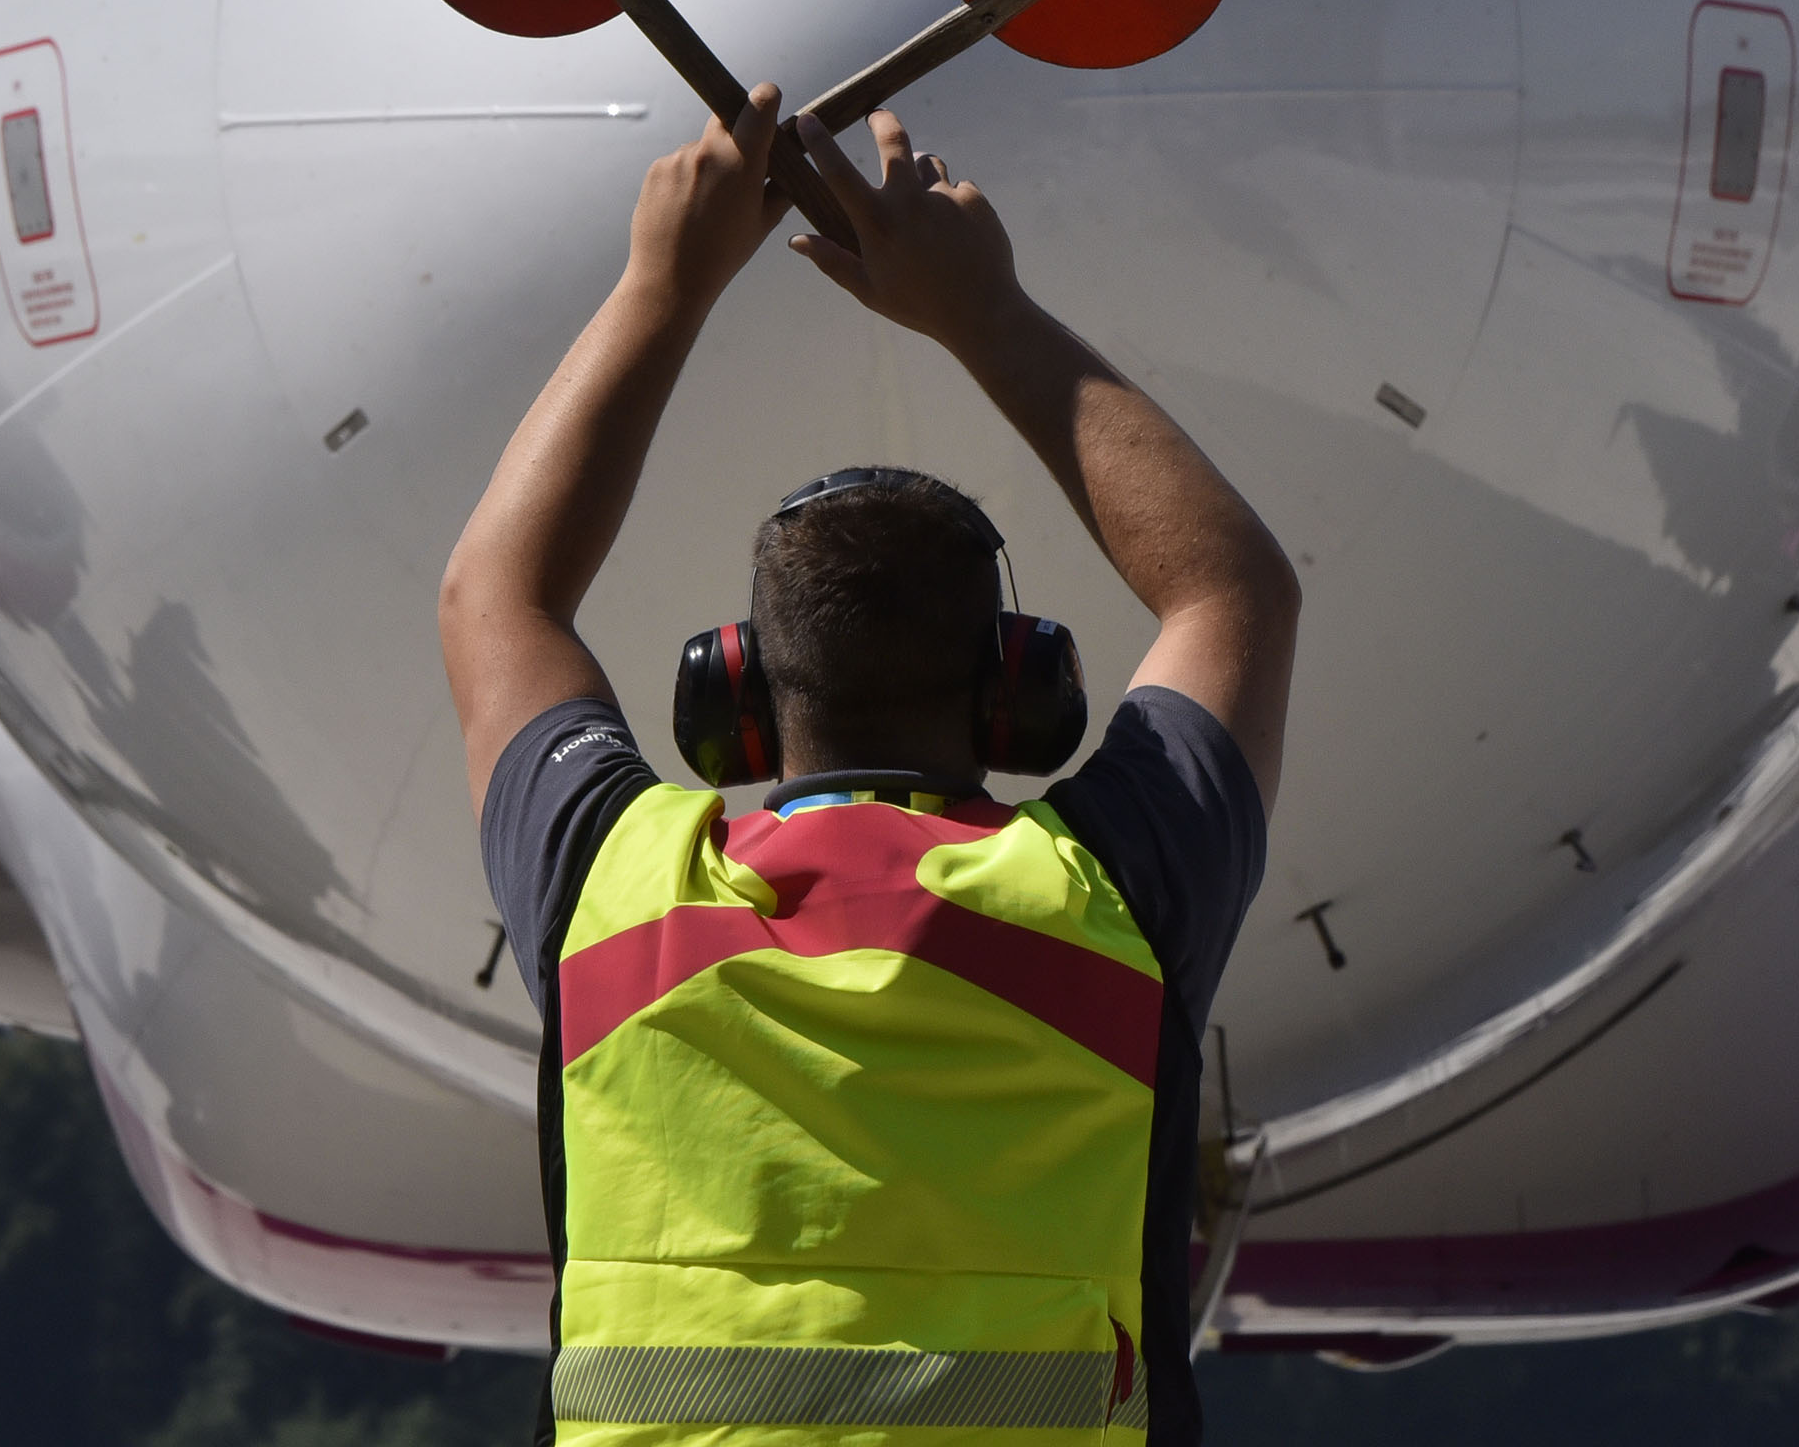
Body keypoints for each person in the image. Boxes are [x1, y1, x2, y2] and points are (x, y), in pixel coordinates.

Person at [441, 83, 1300, 1445]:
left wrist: (664, 283)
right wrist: (980, 312)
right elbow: (1230, 591)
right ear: (1019, 695)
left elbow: (496, 594)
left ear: (734, 700)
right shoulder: (1100, 902)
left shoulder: (622, 895)